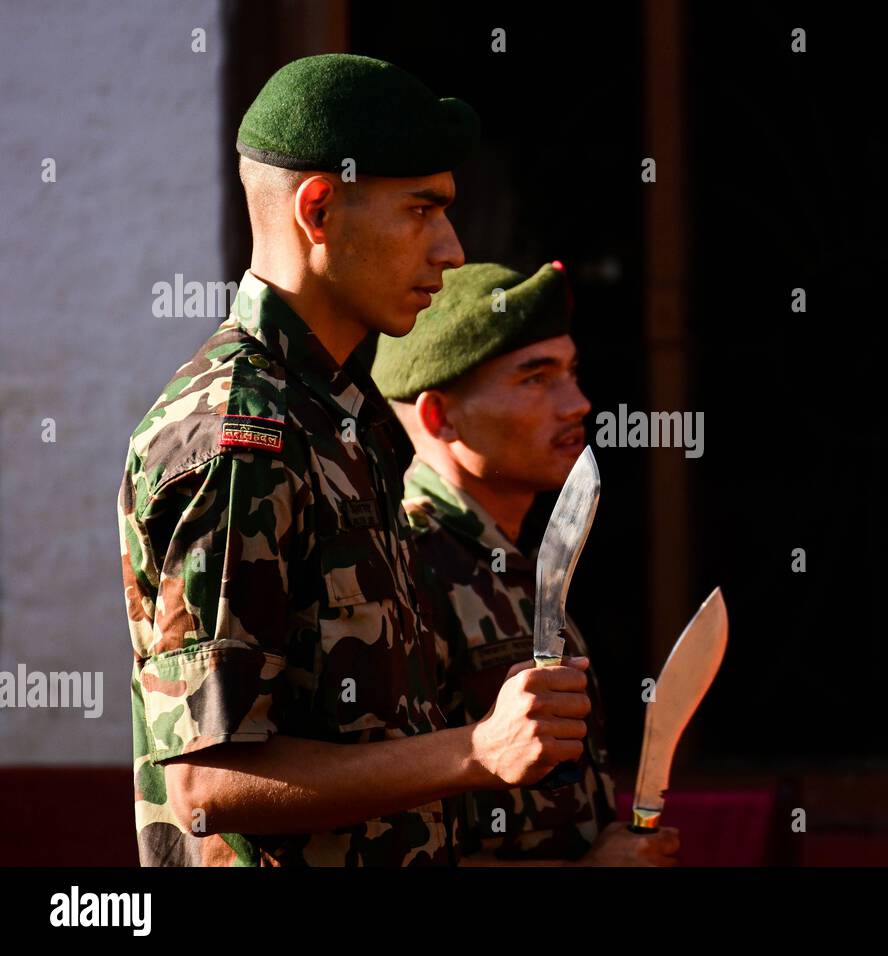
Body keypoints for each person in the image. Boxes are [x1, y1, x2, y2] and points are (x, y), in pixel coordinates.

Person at [118, 55, 591, 867]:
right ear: (320, 207)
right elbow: (206, 784)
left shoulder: (337, 417)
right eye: (422, 209)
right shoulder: (242, 434)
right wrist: (476, 750)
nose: (450, 250)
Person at [372, 261, 680, 866]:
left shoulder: (507, 560)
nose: (579, 404)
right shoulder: (400, 565)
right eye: (536, 379)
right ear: (439, 416)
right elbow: (386, 841)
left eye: (571, 372)